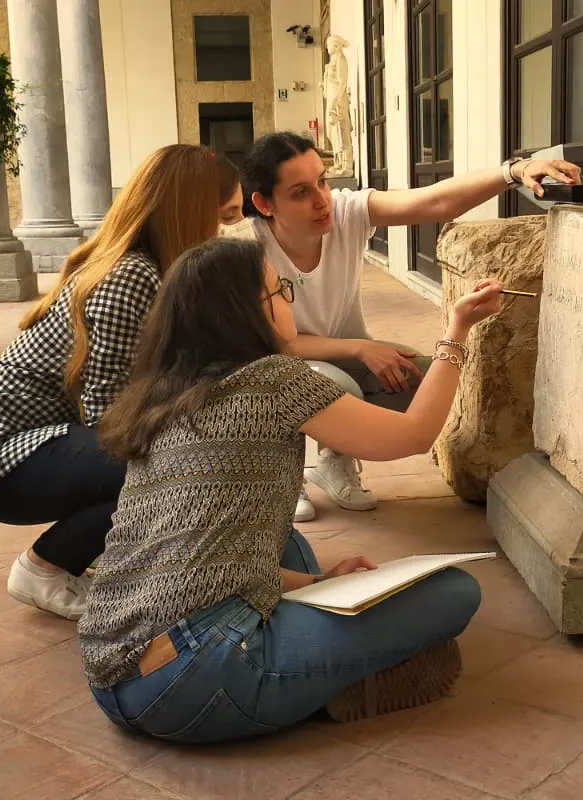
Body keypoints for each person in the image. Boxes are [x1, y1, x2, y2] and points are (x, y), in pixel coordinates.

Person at [80, 237, 504, 742]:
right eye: (279, 290)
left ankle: (319, 666)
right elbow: (412, 434)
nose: (290, 299)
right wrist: (457, 331)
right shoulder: (273, 381)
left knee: (291, 544)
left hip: (112, 676)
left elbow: (209, 550)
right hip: (196, 679)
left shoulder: (162, 394)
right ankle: (323, 680)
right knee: (452, 592)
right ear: (245, 312)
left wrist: (317, 582)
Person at [0, 145, 243, 621]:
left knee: (180, 453)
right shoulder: (130, 276)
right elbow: (110, 415)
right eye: (223, 217)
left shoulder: (146, 269)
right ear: (190, 211)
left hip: (41, 444)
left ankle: (84, 557)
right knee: (166, 466)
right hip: (0, 457)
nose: (226, 232)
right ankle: (43, 567)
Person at [241, 131, 580, 522]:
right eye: (300, 192)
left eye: (323, 181)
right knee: (337, 386)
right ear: (265, 204)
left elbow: (435, 201)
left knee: (418, 380)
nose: (321, 200)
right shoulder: (247, 250)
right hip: (278, 369)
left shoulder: (345, 212)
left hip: (337, 356)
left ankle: (334, 460)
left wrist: (515, 171)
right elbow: (275, 345)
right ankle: (287, 476)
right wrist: (360, 348)